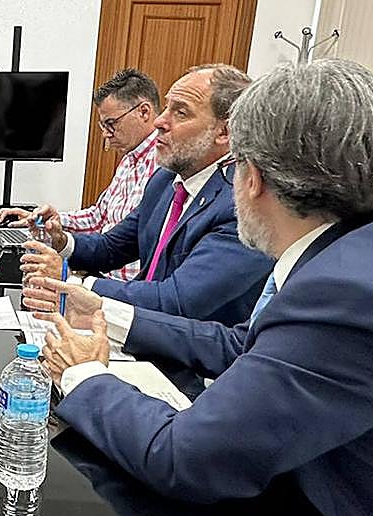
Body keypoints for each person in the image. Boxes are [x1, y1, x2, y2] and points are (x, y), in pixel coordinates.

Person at [27, 59, 373, 516]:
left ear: (250, 176)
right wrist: (108, 311)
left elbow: (184, 459)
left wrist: (83, 375)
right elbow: (245, 346)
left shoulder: (347, 296)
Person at [22, 64, 272, 326]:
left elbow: (175, 301)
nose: (160, 121)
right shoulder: (165, 181)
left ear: (225, 132)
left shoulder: (242, 204)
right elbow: (111, 248)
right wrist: (62, 241)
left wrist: (71, 281)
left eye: (181, 112)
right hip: (139, 327)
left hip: (184, 355)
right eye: (167, 108)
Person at [0, 68, 160, 280]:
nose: (105, 134)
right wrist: (53, 220)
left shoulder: (164, 166)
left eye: (111, 123)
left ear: (144, 112)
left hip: (125, 289)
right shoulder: (130, 159)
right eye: (103, 125)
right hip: (101, 274)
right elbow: (98, 217)